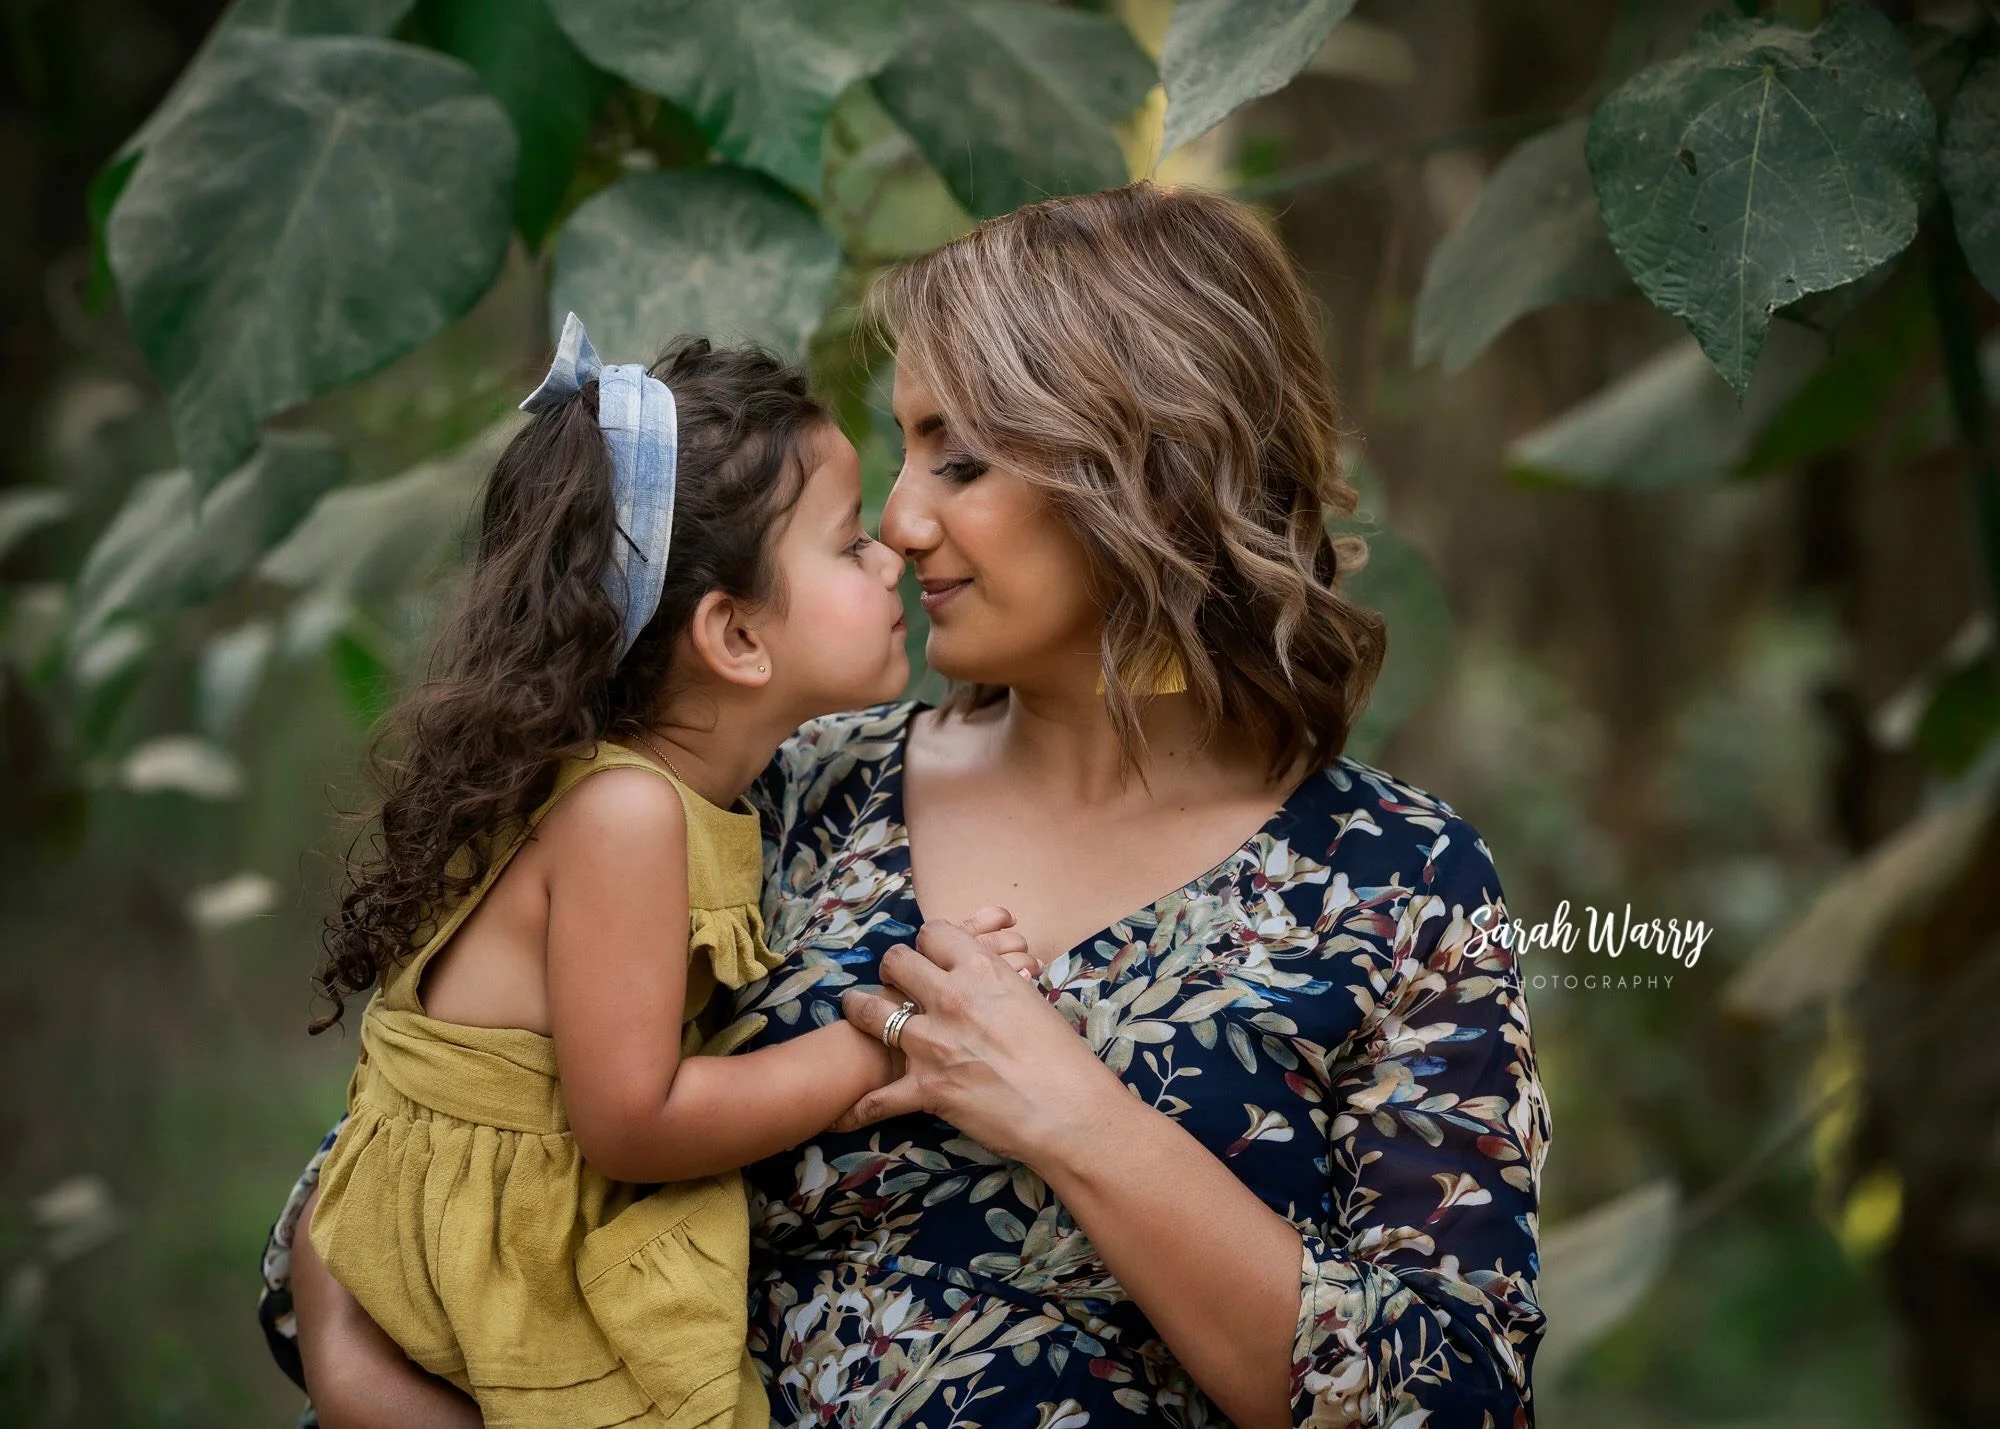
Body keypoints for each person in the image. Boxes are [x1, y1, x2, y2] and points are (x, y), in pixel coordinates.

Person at [264, 182, 1552, 1428]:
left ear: (1149, 474)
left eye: (961, 458)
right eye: (902, 450)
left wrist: (1069, 1110)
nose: (900, 518)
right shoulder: (776, 788)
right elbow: (424, 1155)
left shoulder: (1399, 883)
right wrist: (341, 1340)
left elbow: (1450, 1399)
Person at [289, 315, 1033, 1428]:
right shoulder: (626, 812)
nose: (893, 546)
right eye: (843, 545)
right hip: (499, 1259)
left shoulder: (669, 786)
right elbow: (634, 1119)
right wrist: (880, 1037)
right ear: (732, 638)